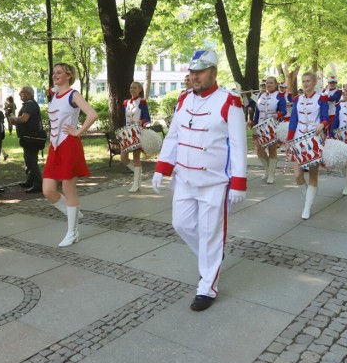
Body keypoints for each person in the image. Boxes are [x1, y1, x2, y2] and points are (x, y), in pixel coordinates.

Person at [152, 49, 247, 312]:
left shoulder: (229, 101)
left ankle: (207, 287)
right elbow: (173, 137)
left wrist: (238, 180)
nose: (194, 77)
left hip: (214, 182)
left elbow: (238, 145)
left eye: (200, 72)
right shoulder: (183, 100)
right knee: (180, 224)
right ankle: (212, 257)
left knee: (210, 233)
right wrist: (162, 168)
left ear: (213, 73)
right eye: (191, 72)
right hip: (184, 178)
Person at [42, 62, 98, 247]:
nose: (55, 75)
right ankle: (72, 211)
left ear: (68, 76)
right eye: (54, 73)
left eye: (59, 72)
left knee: (68, 189)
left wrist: (78, 131)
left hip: (69, 145)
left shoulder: (73, 95)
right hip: (54, 147)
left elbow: (92, 114)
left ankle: (72, 232)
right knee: (48, 190)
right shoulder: (54, 95)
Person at [287, 71, 329, 219]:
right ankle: (308, 198)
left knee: (313, 174)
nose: (305, 84)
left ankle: (307, 207)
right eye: (303, 81)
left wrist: (322, 125)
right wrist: (289, 139)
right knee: (297, 175)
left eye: (308, 81)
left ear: (314, 82)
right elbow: (293, 119)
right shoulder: (297, 99)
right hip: (299, 137)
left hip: (314, 138)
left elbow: (325, 117)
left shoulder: (321, 98)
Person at [251, 76, 286, 184]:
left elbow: (283, 111)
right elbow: (257, 112)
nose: (268, 84)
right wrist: (254, 125)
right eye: (267, 83)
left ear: (276, 85)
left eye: (271, 83)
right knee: (259, 150)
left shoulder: (279, 96)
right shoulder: (260, 95)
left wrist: (277, 114)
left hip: (272, 126)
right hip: (260, 126)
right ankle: (267, 170)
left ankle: (271, 174)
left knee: (272, 150)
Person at [10, 86, 43, 193]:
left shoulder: (29, 104)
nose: (20, 94)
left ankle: (38, 184)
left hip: (30, 137)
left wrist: (14, 119)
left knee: (31, 161)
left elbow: (24, 118)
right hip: (30, 137)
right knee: (29, 159)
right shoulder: (31, 103)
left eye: (22, 92)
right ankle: (30, 181)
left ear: (28, 93)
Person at [121, 81, 150, 192]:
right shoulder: (126, 103)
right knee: (123, 157)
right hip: (127, 132)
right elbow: (125, 119)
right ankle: (138, 174)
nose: (132, 89)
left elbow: (147, 119)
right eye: (131, 87)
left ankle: (136, 183)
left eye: (135, 88)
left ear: (140, 90)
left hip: (137, 131)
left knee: (136, 158)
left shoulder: (142, 103)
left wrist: (139, 121)